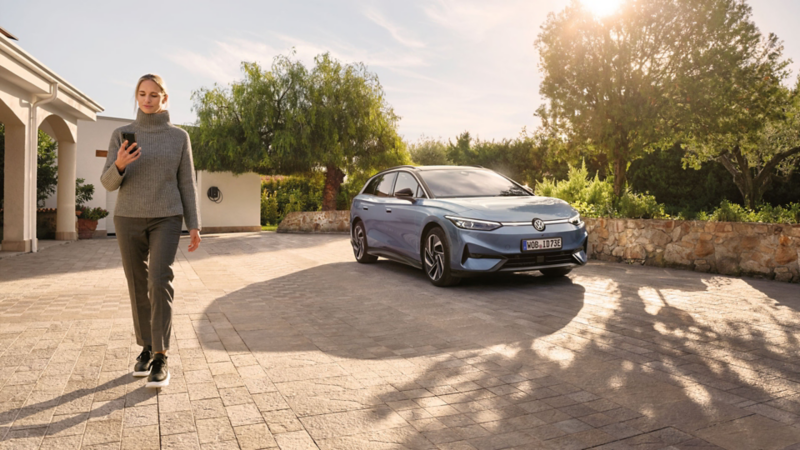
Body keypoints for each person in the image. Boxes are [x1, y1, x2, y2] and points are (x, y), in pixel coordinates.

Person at [100, 74, 201, 388]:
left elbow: (187, 182)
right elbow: (107, 183)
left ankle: (160, 354)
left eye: (154, 95)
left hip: (167, 218)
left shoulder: (179, 137)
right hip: (128, 218)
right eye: (142, 94)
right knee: (137, 284)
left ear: (164, 99)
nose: (147, 99)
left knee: (159, 280)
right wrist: (118, 164)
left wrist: (194, 224)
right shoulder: (121, 135)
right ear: (137, 97)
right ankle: (145, 348)